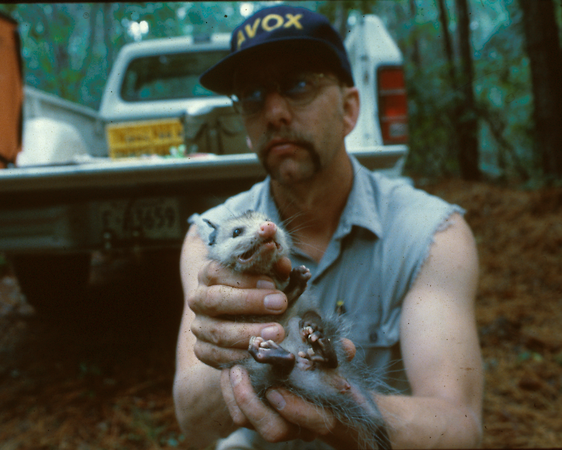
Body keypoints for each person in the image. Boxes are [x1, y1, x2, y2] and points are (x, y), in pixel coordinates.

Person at [173, 5, 483, 449]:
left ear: (350, 109)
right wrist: (236, 356)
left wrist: (347, 409)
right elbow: (194, 421)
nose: (275, 112)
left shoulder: (431, 234)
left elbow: (461, 425)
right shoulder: (210, 237)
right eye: (253, 96)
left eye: (299, 85)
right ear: (245, 125)